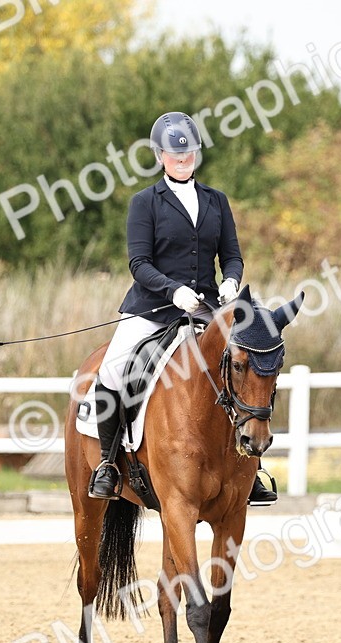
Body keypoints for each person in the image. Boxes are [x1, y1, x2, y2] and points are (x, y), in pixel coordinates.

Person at [87, 111, 277, 506]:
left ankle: (248, 470)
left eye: (188, 151)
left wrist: (229, 281)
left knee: (246, 363)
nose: (182, 158)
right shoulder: (145, 203)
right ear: (160, 156)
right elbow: (139, 264)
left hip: (206, 308)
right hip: (153, 308)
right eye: (174, 154)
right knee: (113, 370)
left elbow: (233, 256)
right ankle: (107, 463)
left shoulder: (216, 201)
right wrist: (173, 291)